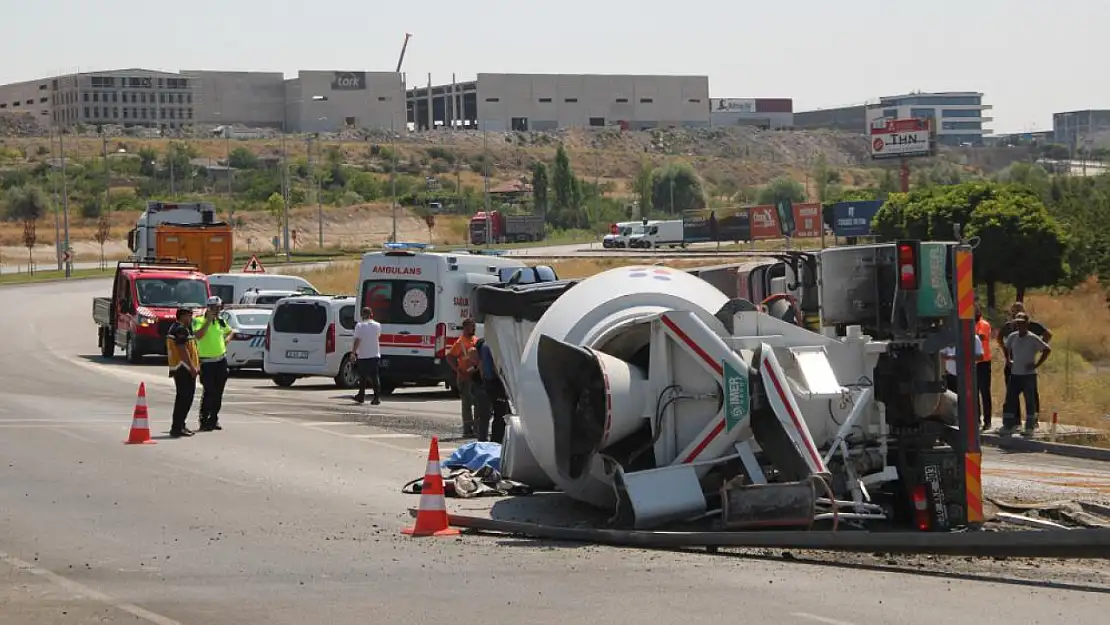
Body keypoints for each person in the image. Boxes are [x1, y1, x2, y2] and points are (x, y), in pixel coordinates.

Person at [996, 301, 1051, 416]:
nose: (1016, 312)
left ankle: (1033, 419)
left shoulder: (1031, 326)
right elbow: (1000, 339)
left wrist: (1037, 348)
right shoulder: (1009, 327)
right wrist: (1007, 356)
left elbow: (1048, 335)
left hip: (1027, 367)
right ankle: (1014, 420)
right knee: (1011, 394)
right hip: (1012, 365)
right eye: (1014, 310)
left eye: (1019, 309)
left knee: (1031, 395)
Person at [1001, 312, 1051, 437]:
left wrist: (1036, 365)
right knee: (1010, 400)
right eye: (1017, 323)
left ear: (1027, 324)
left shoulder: (1032, 338)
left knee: (1030, 401)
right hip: (1015, 374)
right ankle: (1008, 425)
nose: (1019, 326)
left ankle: (1030, 426)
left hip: (1028, 375)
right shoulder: (1013, 336)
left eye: (1022, 323)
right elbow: (1006, 348)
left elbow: (1047, 350)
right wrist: (1008, 360)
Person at [193, 296, 233, 432]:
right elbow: (198, 335)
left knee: (218, 392)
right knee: (209, 391)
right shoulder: (199, 320)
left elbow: (231, 331)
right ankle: (204, 420)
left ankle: (214, 419)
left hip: (220, 361)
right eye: (213, 308)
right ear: (208, 308)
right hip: (207, 362)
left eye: (218, 308)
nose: (216, 311)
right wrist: (208, 321)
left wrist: (226, 341)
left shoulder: (221, 321)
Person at [166, 307, 199, 438]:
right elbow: (182, 349)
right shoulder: (180, 329)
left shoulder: (178, 328)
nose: (191, 318)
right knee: (184, 399)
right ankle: (177, 427)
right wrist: (191, 367)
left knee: (183, 399)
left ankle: (180, 425)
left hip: (181, 368)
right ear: (183, 316)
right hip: (183, 368)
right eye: (189, 316)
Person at [447, 318, 479, 438]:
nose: (474, 328)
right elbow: (450, 357)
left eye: (474, 326)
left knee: (477, 403)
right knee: (467, 404)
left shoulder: (475, 340)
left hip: (475, 376)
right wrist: (458, 370)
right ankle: (467, 429)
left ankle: (477, 427)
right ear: (465, 328)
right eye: (471, 326)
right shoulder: (460, 342)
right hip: (465, 377)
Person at [477, 337, 511, 444]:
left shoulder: (486, 345)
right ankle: (498, 440)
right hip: (496, 382)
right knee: (501, 413)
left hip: (490, 382)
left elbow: (482, 366)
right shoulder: (492, 346)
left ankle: (497, 439)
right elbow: (495, 367)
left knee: (499, 412)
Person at [350, 307, 382, 405]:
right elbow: (378, 336)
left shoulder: (359, 326)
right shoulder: (377, 325)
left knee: (362, 377)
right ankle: (376, 398)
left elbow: (357, 340)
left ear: (362, 315)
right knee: (375, 376)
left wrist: (353, 352)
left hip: (363, 355)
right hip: (375, 354)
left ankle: (361, 396)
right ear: (371, 314)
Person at [974, 306, 994, 430]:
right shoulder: (970, 324)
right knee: (974, 393)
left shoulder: (983, 324)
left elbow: (980, 336)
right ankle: (977, 420)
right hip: (972, 363)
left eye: (974, 311)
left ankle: (988, 421)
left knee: (985, 393)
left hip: (983, 362)